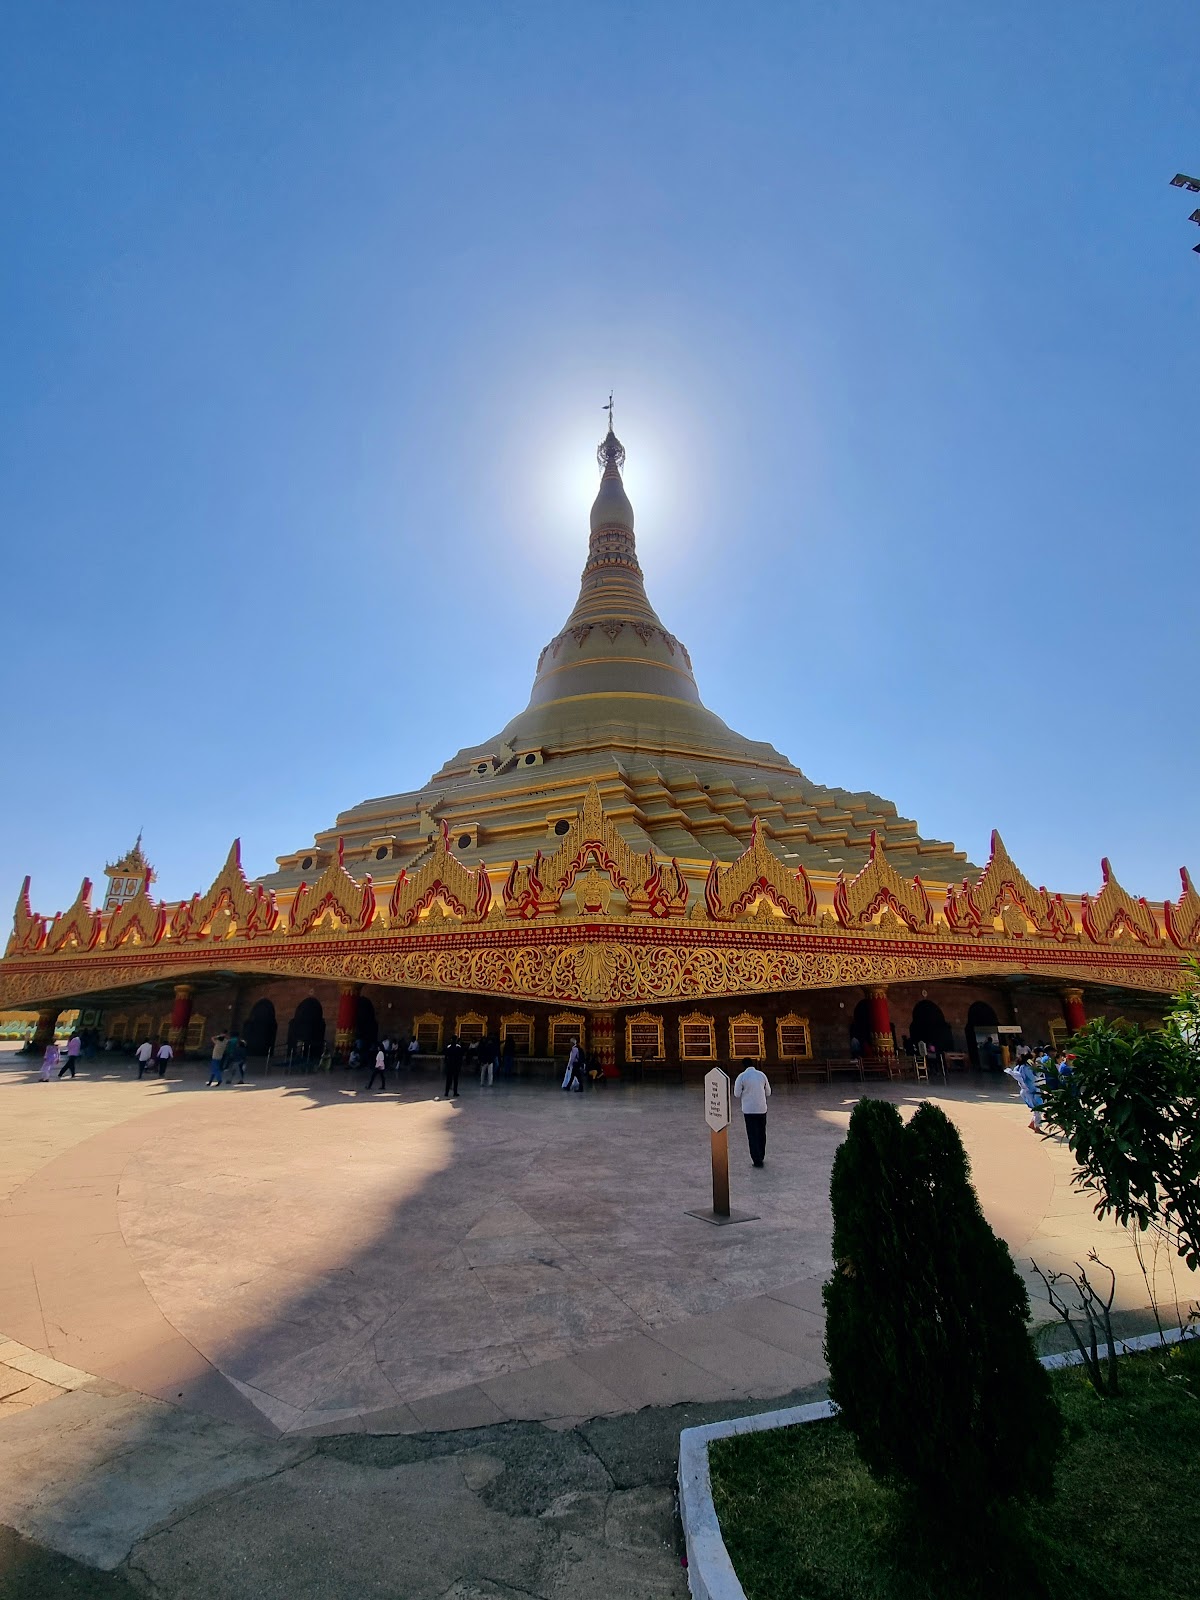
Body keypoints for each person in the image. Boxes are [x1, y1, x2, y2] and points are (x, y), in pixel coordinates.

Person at [733, 1056, 772, 1167]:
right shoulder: (761, 1075)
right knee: (761, 1133)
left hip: (749, 1110)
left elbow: (736, 1094)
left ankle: (756, 1159)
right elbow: (768, 1092)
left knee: (752, 1134)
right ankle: (761, 1155)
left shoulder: (742, 1077)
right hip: (761, 1108)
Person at [1009, 1056, 1044, 1132]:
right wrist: (1036, 1069)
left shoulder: (1018, 1067)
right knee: (1038, 1109)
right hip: (1031, 1091)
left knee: (1036, 1109)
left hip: (1026, 1091)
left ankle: (1032, 1123)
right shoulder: (1026, 1068)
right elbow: (1034, 1078)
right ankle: (1037, 1127)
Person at [443, 1034, 463, 1098]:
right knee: (455, 1080)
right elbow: (460, 1057)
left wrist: (446, 1064)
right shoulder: (458, 1047)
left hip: (449, 1065)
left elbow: (446, 1057)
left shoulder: (448, 1047)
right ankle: (455, 1092)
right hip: (456, 1065)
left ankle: (446, 1092)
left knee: (448, 1080)